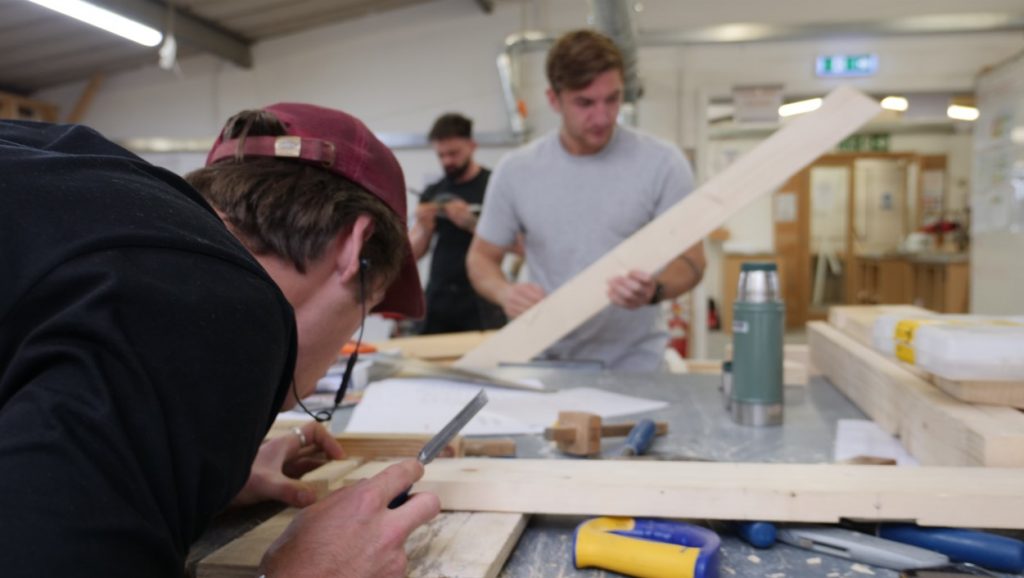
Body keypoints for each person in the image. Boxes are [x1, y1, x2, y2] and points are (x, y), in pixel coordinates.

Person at [0, 103, 439, 578]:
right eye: (362, 312)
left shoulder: (72, 182)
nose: (310, 390)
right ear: (355, 244)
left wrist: (174, 469)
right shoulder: (216, 302)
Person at [467, 29, 706, 371]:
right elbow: (481, 258)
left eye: (612, 99)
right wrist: (506, 293)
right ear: (554, 100)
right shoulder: (517, 171)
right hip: (544, 360)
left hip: (636, 365)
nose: (603, 117)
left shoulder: (663, 163)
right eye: (585, 103)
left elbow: (693, 260)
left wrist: (654, 290)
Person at [409, 113, 506, 334]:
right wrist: (424, 229)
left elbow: (518, 244)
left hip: (481, 298)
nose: (447, 162)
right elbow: (412, 254)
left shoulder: (494, 186)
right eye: (441, 155)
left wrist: (472, 224)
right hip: (439, 298)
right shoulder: (433, 192)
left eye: (453, 153)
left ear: (472, 146)